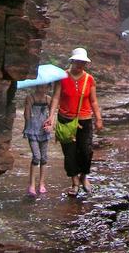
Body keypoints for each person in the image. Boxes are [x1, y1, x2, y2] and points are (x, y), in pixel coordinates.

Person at [43, 47, 103, 196]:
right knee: (69, 153)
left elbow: (93, 101)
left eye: (83, 63)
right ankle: (74, 182)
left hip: (85, 120)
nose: (80, 65)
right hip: (65, 120)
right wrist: (51, 116)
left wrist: (98, 118)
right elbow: (56, 97)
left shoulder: (89, 79)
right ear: (72, 61)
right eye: (77, 62)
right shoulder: (62, 77)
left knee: (86, 151)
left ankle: (84, 177)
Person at [23, 84, 52, 196]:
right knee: (36, 156)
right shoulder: (30, 97)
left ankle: (42, 184)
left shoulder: (48, 99)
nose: (42, 89)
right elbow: (27, 115)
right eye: (40, 87)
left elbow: (51, 115)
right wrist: (27, 107)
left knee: (44, 157)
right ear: (36, 87)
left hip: (44, 131)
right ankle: (32, 184)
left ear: (48, 88)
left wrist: (50, 125)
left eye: (45, 87)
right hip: (32, 130)